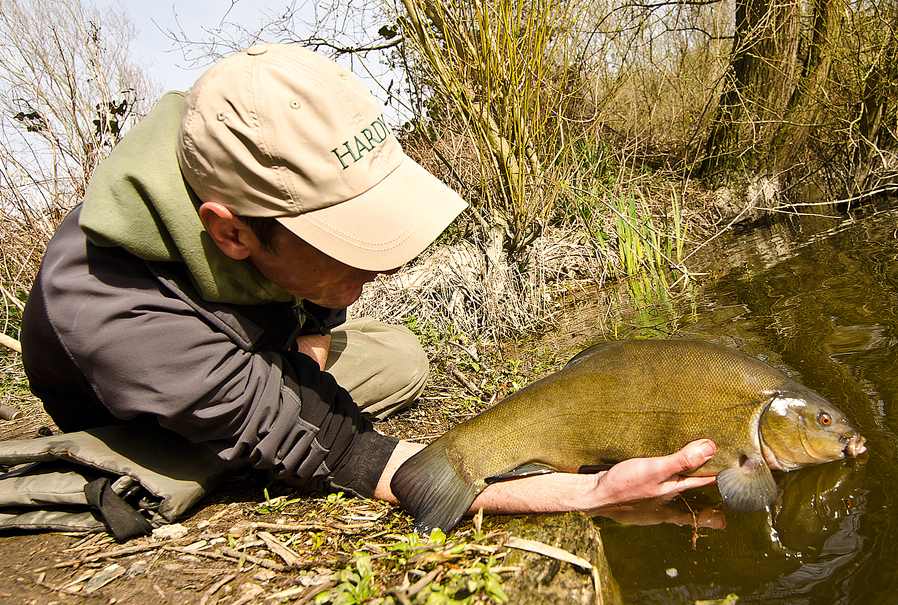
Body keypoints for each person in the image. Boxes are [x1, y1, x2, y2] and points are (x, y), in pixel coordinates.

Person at [20, 44, 716, 522]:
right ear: (230, 231)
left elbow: (318, 299)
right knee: (217, 464)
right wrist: (587, 489)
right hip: (146, 403)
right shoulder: (119, 310)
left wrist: (306, 351)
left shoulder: (268, 169)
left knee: (403, 356)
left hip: (252, 345)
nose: (383, 267)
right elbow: (349, 451)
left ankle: (271, 382)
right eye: (345, 242)